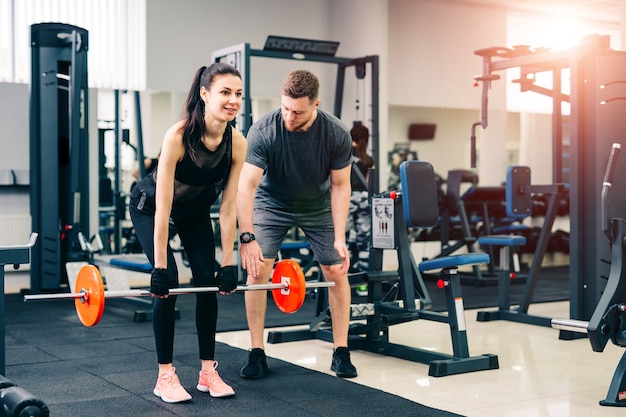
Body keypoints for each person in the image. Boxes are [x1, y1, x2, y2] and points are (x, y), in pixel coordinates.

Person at [128, 62, 246, 403]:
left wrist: (228, 263)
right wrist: (160, 270)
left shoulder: (237, 142)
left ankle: (207, 372)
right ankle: (165, 375)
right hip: (150, 207)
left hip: (194, 211)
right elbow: (163, 206)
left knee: (207, 280)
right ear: (205, 94)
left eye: (238, 94)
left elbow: (227, 208)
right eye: (225, 93)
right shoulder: (179, 136)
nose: (233, 100)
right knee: (171, 284)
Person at [236, 69, 357, 379]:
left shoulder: (336, 133)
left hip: (317, 205)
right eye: (286, 108)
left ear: (316, 104)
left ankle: (341, 350)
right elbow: (246, 187)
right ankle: (256, 351)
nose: (289, 116)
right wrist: (247, 236)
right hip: (272, 203)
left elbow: (342, 186)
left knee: (335, 269)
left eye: (298, 111)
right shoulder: (264, 130)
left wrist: (340, 237)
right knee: (258, 268)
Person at [347, 123, 374, 296]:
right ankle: (363, 284)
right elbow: (370, 183)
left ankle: (347, 282)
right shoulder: (368, 159)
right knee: (364, 243)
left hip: (347, 199)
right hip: (364, 199)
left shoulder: (344, 154)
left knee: (344, 241)